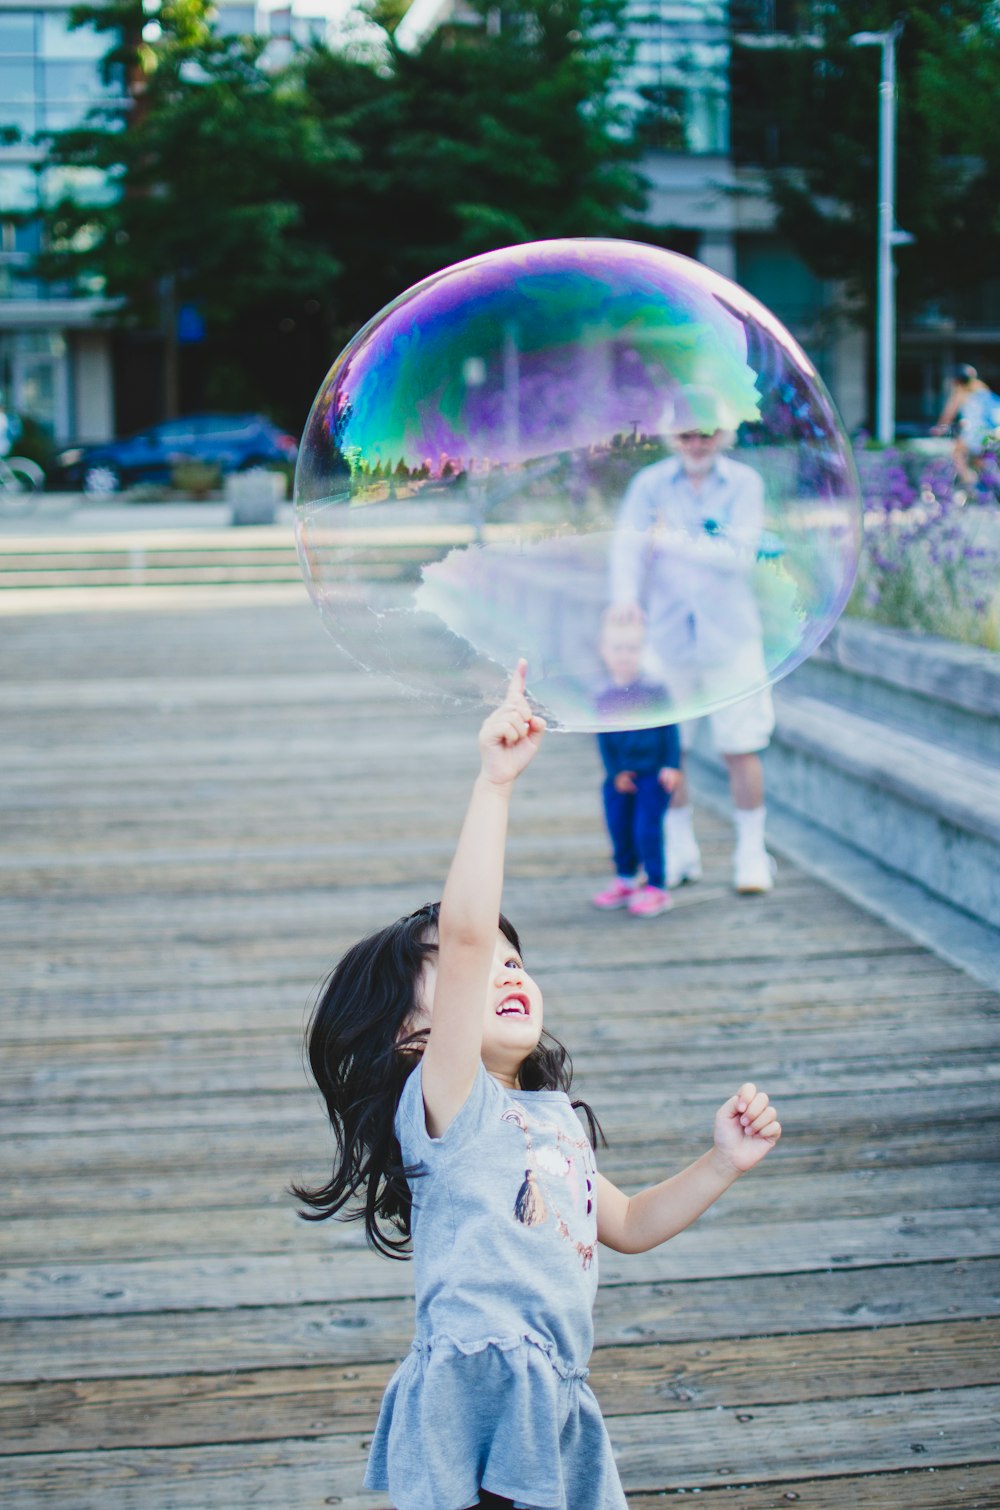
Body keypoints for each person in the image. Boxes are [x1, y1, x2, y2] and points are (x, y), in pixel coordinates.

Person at [293, 660, 782, 1510]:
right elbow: (470, 929)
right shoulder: (451, 1105)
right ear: (418, 1035)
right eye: (474, 976)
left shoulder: (548, 1116)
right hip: (476, 1393)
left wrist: (721, 1162)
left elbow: (624, 1223)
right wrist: (495, 785)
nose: (504, 971)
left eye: (516, 964)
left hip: (553, 1390)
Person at [608, 387, 777, 895]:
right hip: (666, 634)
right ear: (672, 437)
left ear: (723, 433)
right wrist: (624, 598)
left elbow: (741, 555)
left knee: (740, 746)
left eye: (705, 432)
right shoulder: (650, 484)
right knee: (666, 750)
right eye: (685, 433)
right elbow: (627, 547)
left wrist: (672, 541)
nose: (696, 442)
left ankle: (752, 852)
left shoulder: (744, 483)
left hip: (731, 636)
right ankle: (679, 849)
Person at [591, 617, 682, 918]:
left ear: (642, 651)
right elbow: (604, 738)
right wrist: (615, 771)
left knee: (646, 828)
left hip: (651, 774)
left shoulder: (654, 691)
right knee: (619, 826)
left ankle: (656, 885)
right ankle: (626, 879)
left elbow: (670, 729)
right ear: (605, 651)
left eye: (632, 648)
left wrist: (671, 764)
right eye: (618, 648)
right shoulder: (604, 696)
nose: (624, 655)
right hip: (620, 776)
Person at [931, 364, 1000, 491]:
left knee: (957, 452)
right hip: (992, 432)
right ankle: (991, 485)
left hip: (976, 433)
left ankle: (971, 483)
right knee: (979, 459)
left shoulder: (960, 393)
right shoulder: (982, 388)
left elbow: (947, 416)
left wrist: (938, 429)